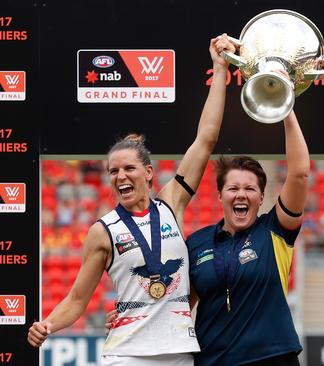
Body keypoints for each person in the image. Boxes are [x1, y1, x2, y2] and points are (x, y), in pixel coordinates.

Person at [27, 34, 233, 366]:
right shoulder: (102, 231)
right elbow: (78, 299)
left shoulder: (171, 204)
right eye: (113, 171)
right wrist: (48, 324)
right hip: (126, 354)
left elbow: (206, 139)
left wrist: (220, 68)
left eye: (128, 169)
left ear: (149, 172)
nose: (120, 176)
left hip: (179, 352)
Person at [187, 105, 309, 365]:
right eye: (233, 188)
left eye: (250, 189)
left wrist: (285, 107)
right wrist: (136, 319)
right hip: (213, 360)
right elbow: (179, 307)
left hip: (273, 357)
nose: (241, 194)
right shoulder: (196, 243)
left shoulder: (275, 230)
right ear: (220, 195)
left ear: (262, 197)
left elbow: (299, 174)